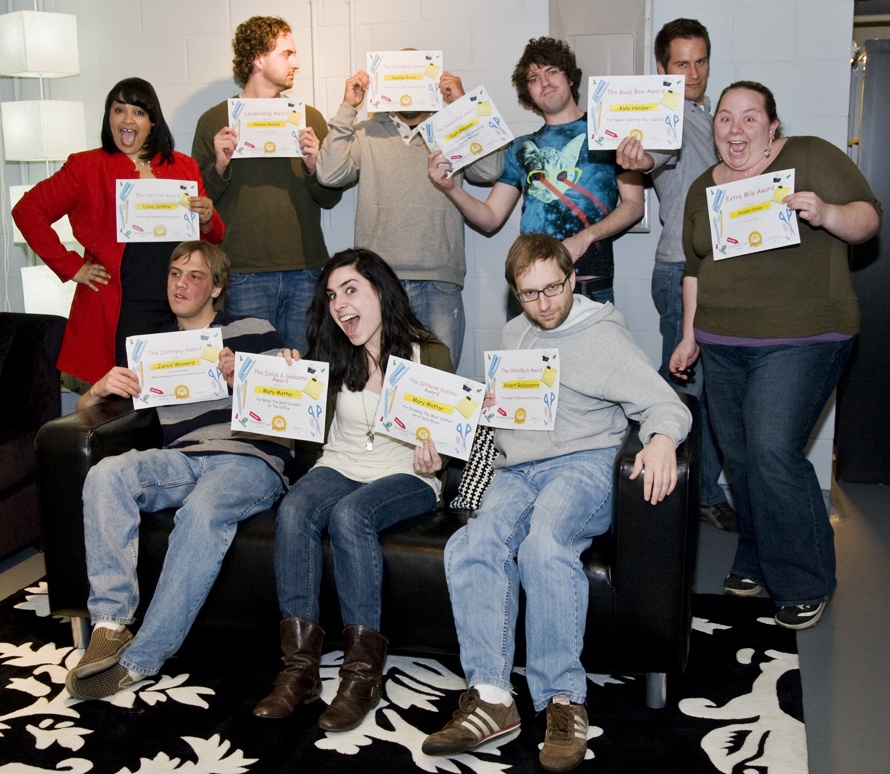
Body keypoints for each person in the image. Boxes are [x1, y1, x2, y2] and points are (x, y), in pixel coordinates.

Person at [422, 233, 691, 771]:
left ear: (572, 279)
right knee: (472, 544)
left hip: (583, 465)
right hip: (517, 468)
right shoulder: (515, 332)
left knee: (545, 544)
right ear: (514, 295)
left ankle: (563, 700)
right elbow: (512, 417)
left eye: (553, 289)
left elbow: (667, 403)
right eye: (529, 294)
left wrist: (661, 439)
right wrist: (487, 410)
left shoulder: (602, 335)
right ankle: (493, 699)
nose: (544, 304)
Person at [669, 82, 881, 630]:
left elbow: (869, 218)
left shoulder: (809, 156)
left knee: (769, 449)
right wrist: (690, 334)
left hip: (804, 337)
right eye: (724, 118)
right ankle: (756, 559)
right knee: (741, 461)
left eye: (749, 118)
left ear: (772, 126)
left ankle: (806, 578)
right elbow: (695, 268)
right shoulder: (702, 186)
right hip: (722, 343)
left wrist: (827, 212)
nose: (735, 130)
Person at [64, 241, 289, 701]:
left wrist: (246, 375)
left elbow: (293, 399)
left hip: (248, 458)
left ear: (217, 288)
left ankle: (141, 660)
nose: (181, 283)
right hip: (183, 459)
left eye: (196, 276)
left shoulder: (253, 328)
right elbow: (87, 408)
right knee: (106, 474)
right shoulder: (155, 348)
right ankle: (109, 625)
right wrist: (99, 388)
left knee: (202, 512)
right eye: (174, 273)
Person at [253, 248, 453, 731]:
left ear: (380, 292)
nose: (340, 305)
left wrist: (439, 455)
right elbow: (290, 409)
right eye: (331, 296)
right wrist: (282, 371)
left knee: (350, 516)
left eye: (350, 290)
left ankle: (362, 677)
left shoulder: (429, 353)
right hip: (341, 463)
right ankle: (299, 671)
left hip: (407, 474)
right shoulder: (330, 351)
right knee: (295, 508)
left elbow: (448, 437)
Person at [12, 78, 225, 385]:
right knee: (120, 409)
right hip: (119, 310)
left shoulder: (184, 167)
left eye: (138, 112)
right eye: (118, 110)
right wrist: (72, 266)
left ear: (152, 122)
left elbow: (213, 237)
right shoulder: (86, 167)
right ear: (108, 118)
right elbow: (27, 211)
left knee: (176, 403)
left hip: (176, 308)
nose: (127, 119)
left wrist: (207, 217)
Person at [616, 19, 738, 532]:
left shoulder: (712, 115)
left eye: (702, 61)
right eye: (682, 64)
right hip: (679, 271)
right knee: (686, 390)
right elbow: (654, 151)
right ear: (662, 68)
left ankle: (696, 490)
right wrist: (638, 159)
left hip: (720, 270)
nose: (694, 72)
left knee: (711, 389)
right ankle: (688, 494)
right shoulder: (667, 117)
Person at [428, 37, 644, 307]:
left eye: (552, 71)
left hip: (589, 285)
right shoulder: (520, 147)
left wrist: (585, 237)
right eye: (533, 78)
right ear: (528, 93)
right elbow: (490, 217)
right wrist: (452, 189)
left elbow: (635, 205)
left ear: (571, 78)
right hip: (529, 287)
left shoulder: (608, 133)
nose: (545, 82)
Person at [315, 65, 503, 366]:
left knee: (439, 390)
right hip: (377, 282)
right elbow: (329, 173)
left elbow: (491, 170)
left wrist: (464, 106)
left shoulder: (451, 128)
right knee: (378, 381)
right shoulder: (366, 131)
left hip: (440, 279)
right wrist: (348, 107)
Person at [192, 15, 342, 355]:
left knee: (303, 379)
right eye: (287, 54)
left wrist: (316, 167)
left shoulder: (310, 119)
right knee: (250, 381)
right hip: (242, 272)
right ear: (258, 58)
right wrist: (218, 165)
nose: (296, 63)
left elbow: (330, 197)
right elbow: (198, 204)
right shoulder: (215, 120)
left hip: (306, 270)